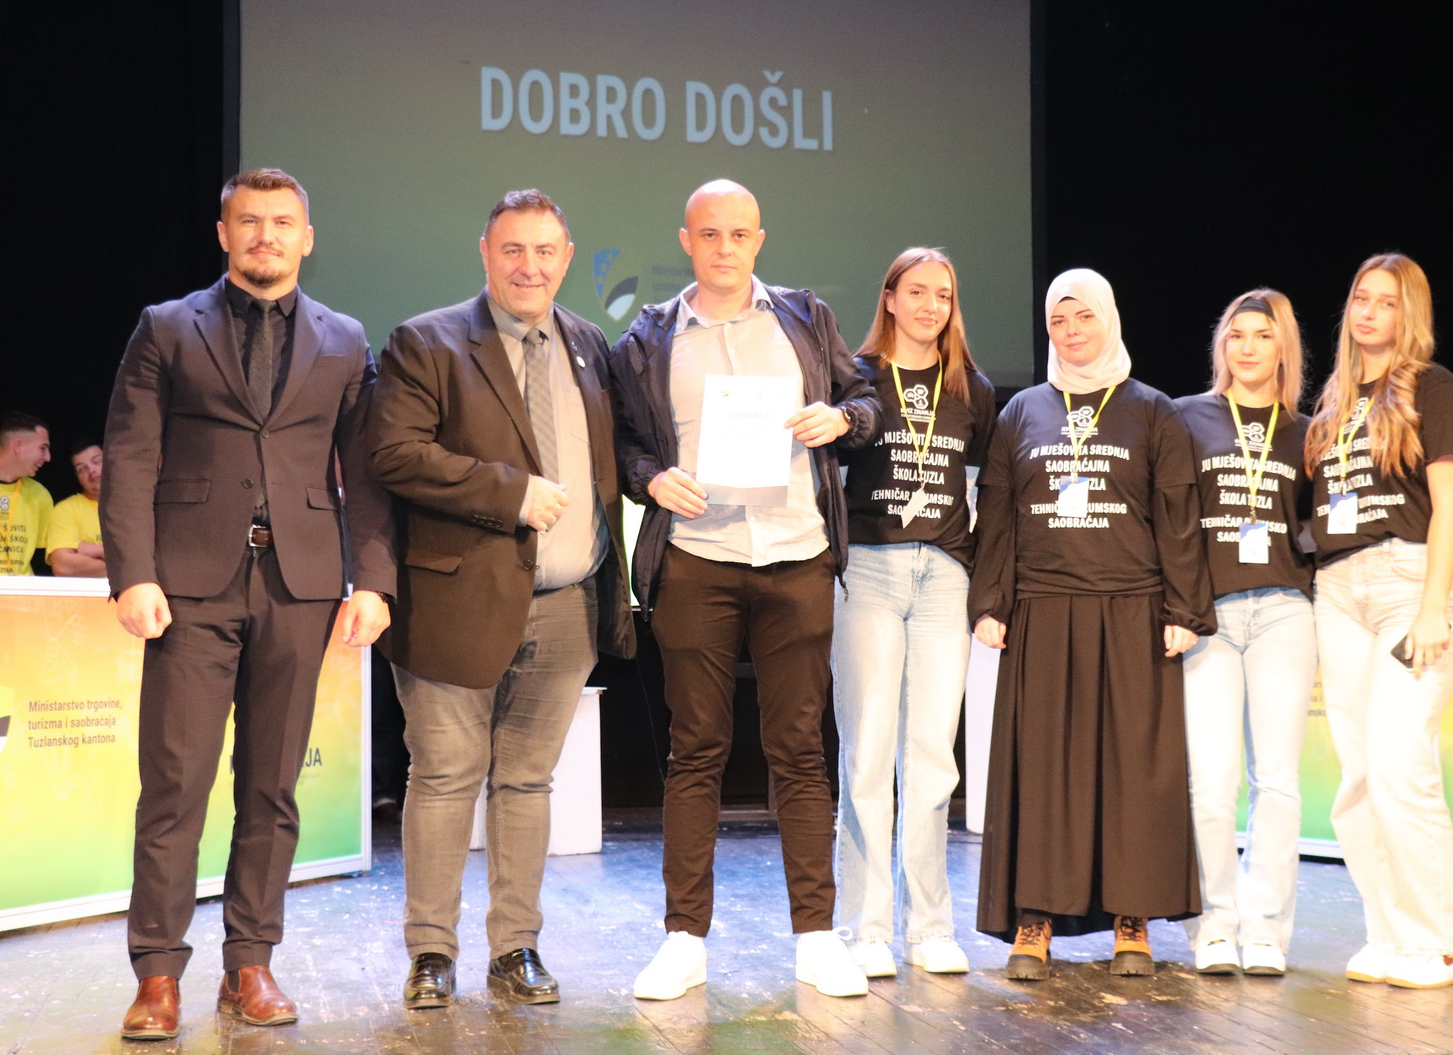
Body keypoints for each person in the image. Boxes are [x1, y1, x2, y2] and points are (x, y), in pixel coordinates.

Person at [101, 168, 396, 1041]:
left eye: (282, 222)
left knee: (273, 786)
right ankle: (158, 973)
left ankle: (251, 962)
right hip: (189, 582)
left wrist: (374, 579)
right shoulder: (166, 326)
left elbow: (366, 472)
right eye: (250, 221)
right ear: (224, 234)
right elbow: (130, 454)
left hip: (301, 584)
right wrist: (133, 572)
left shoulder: (345, 338)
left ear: (307, 238)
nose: (267, 235)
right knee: (176, 782)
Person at [612, 179, 880, 1001]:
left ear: (758, 240)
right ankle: (683, 939)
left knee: (799, 749)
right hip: (698, 559)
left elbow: (865, 400)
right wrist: (650, 478)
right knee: (695, 748)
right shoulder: (649, 337)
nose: (725, 247)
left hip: (797, 556)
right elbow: (621, 445)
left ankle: (816, 937)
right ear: (685, 241)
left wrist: (843, 421)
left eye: (739, 234)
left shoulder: (805, 317)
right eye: (709, 234)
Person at [368, 188, 635, 1009]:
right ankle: (431, 953)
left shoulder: (590, 345)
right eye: (513, 249)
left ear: (566, 256)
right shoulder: (428, 340)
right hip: (454, 604)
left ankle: (516, 946)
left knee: (526, 781)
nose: (530, 266)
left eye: (545, 251)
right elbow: (393, 452)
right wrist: (509, 492)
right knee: (446, 775)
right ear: (485, 253)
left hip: (568, 602)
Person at [970, 268, 1212, 980]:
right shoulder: (1021, 413)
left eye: (1084, 317)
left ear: (1109, 319)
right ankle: (1035, 919)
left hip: (1133, 609)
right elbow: (999, 516)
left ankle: (1132, 919)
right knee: (1043, 772)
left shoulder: (1152, 410)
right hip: (1043, 610)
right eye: (1059, 320)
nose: (1072, 331)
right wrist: (990, 602)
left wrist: (1184, 609)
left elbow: (1178, 518)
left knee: (1134, 773)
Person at [1304, 253, 1453, 989]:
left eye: (1386, 302)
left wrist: (1435, 603)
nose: (1368, 312)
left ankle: (1444, 940)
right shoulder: (1334, 404)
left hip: (1410, 582)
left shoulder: (1432, 387)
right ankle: (1390, 932)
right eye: (1360, 298)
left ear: (1410, 314)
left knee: (1402, 761)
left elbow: (1451, 502)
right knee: (1360, 774)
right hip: (1340, 589)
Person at [831, 248, 994, 978]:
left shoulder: (972, 389)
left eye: (944, 295)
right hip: (868, 568)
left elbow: (982, 489)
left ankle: (929, 927)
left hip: (944, 578)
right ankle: (865, 929)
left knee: (931, 756)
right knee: (868, 752)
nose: (932, 306)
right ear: (890, 298)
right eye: (918, 292)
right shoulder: (854, 376)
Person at [1174, 290, 1316, 977]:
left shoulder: (1307, 431)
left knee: (1277, 781)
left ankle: (1265, 930)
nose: (1249, 347)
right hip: (1210, 616)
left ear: (1283, 346)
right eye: (1237, 335)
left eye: (1263, 335)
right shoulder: (1186, 417)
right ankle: (1213, 924)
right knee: (1210, 783)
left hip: (1284, 611)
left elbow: (1319, 524)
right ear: (1221, 345)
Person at [0, 412, 52, 576]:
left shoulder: (39, 495)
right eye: (43, 448)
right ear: (18, 446)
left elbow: (49, 554)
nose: (48, 458)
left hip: (22, 589)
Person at [46, 439, 107, 578]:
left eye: (97, 461)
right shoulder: (66, 509)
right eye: (81, 468)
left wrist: (89, 550)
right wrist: (125, 564)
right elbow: (63, 566)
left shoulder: (135, 503)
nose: (91, 470)